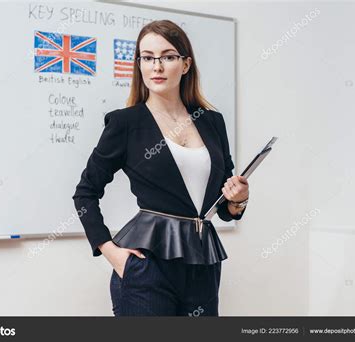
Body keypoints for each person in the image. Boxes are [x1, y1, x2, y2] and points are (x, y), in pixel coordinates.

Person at [73, 19, 249, 316]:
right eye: (147, 57)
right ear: (139, 65)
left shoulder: (212, 122)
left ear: (185, 65)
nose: (156, 66)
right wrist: (111, 252)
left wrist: (238, 200)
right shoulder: (125, 123)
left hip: (203, 265)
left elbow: (222, 207)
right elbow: (85, 193)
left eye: (167, 56)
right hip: (146, 268)